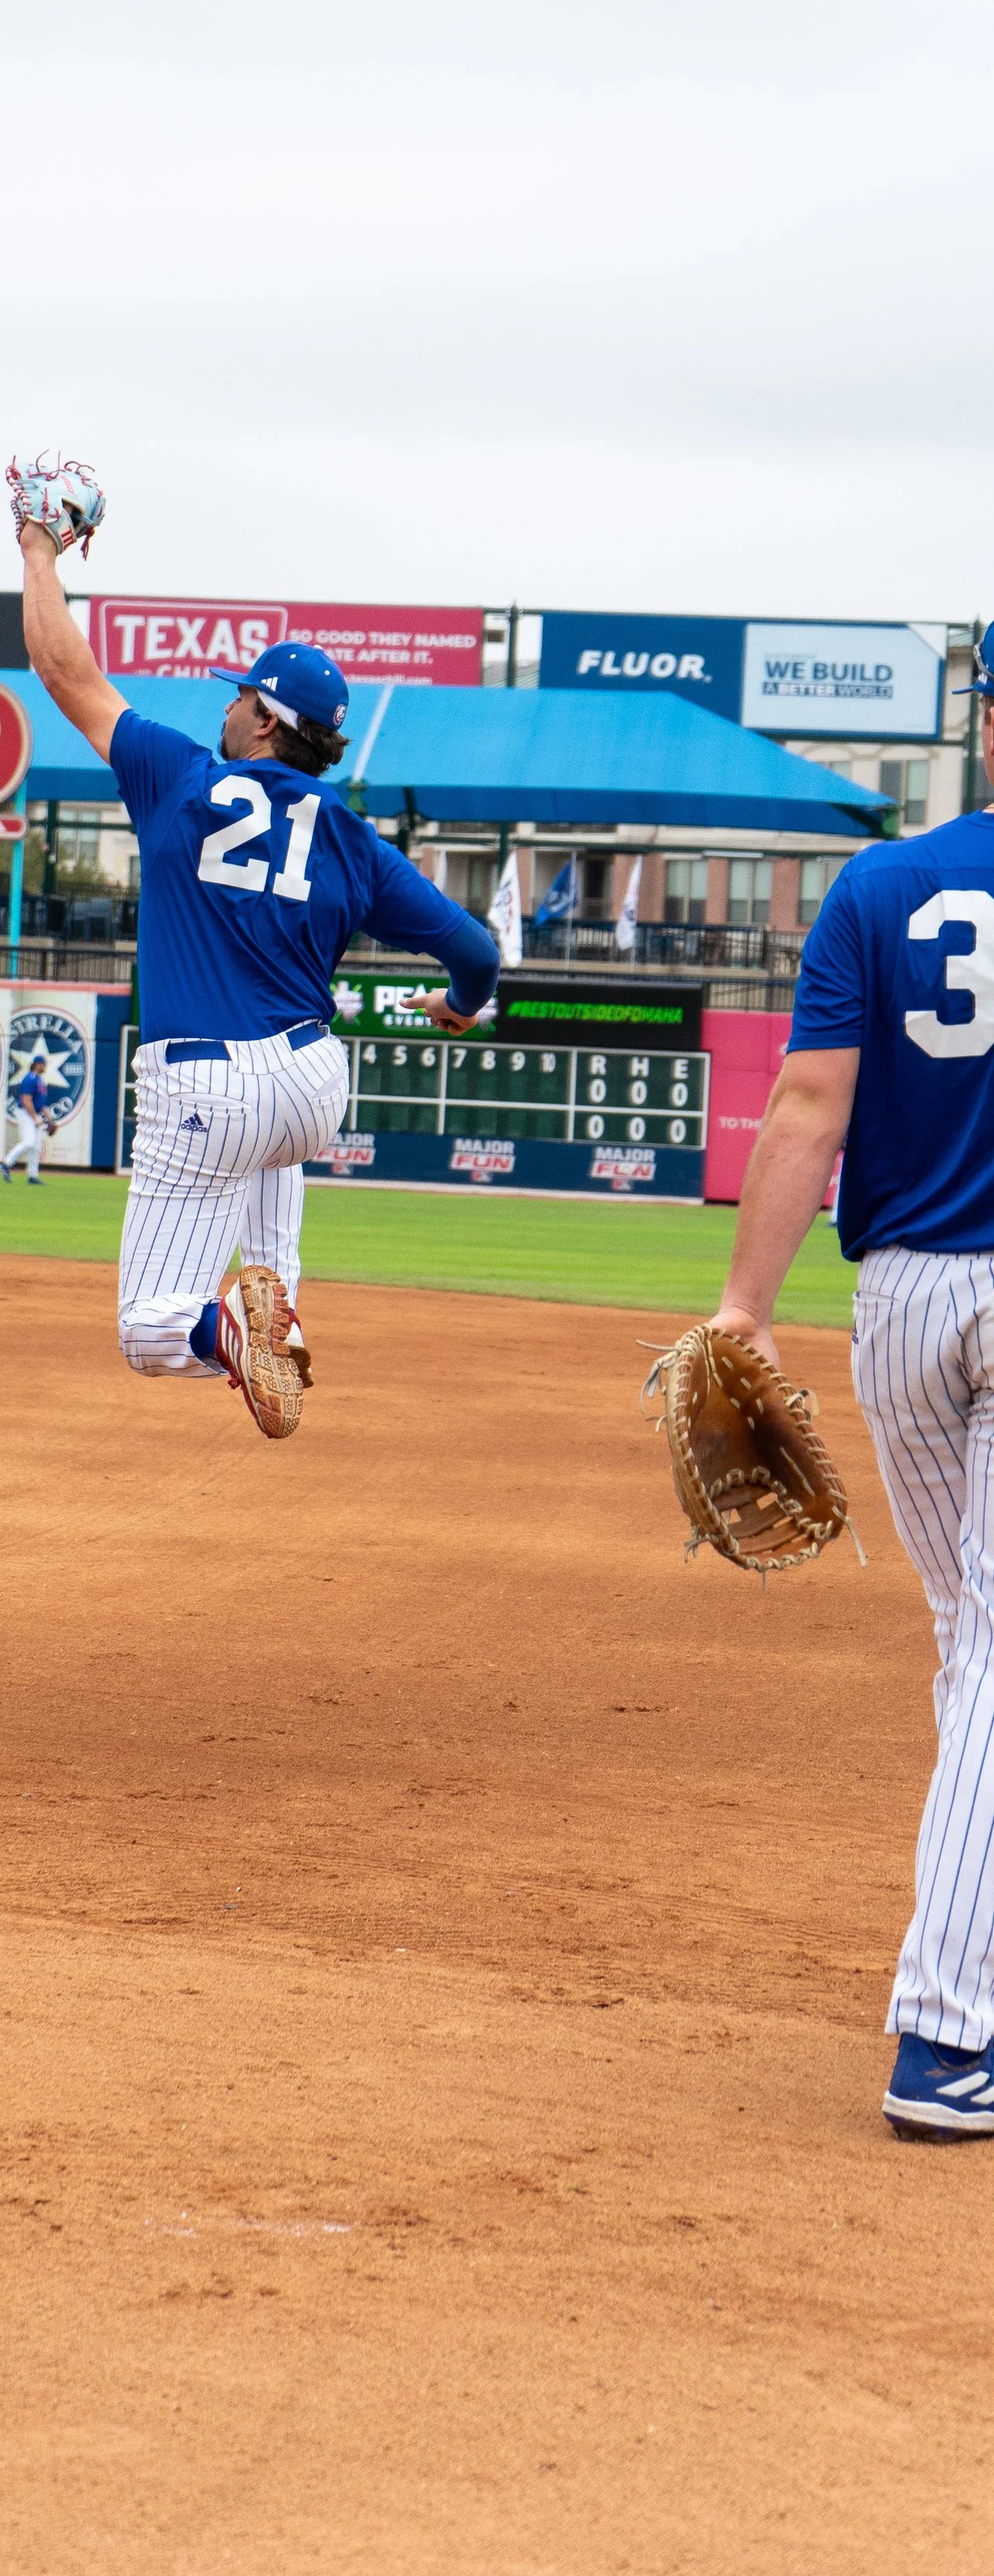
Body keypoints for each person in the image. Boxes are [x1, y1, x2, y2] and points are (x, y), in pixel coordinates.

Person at [10, 456, 498, 1439]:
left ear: (266, 721)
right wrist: (457, 1006)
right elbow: (478, 953)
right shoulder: (354, 838)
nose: (226, 705)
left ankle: (227, 1329)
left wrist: (37, 547)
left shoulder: (180, 778)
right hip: (312, 1088)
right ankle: (268, 1308)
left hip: (206, 1084)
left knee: (151, 1332)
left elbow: (66, 670)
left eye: (242, 696)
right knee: (267, 1215)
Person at [711, 625, 994, 2140]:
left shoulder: (880, 885)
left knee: (972, 1647)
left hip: (898, 1301)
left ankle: (972, 1974)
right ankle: (945, 2035)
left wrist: (745, 1308)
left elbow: (807, 1106)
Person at [0, 1051, 55, 1185]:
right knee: (29, 1142)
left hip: (34, 1114)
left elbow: (41, 1104)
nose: (45, 1066)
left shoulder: (40, 1080)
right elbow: (26, 1100)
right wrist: (35, 1117)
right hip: (25, 1113)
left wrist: (50, 1119)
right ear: (36, 1065)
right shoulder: (30, 1079)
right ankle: (6, 1164)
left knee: (36, 1146)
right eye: (43, 1064)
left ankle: (33, 1176)